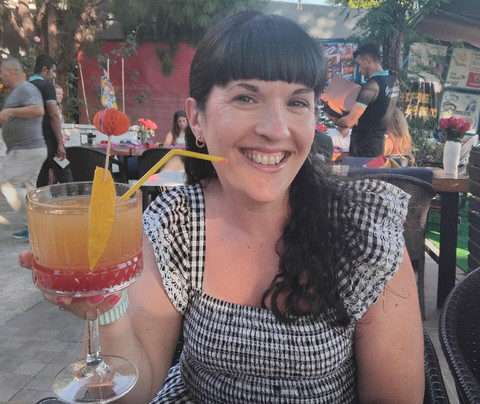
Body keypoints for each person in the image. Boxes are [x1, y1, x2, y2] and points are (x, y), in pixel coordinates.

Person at [21, 11, 424, 403]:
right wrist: (107, 306)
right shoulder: (176, 222)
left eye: (298, 102)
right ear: (196, 119)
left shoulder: (361, 228)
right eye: (246, 97)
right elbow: (135, 389)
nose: (276, 129)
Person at [0, 58, 46, 240]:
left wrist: (10, 112)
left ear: (10, 71)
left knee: (7, 184)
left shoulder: (26, 88)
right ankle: (34, 228)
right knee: (28, 191)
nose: (1, 76)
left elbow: (38, 110)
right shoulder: (16, 93)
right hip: (30, 149)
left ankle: (36, 226)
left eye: (2, 72)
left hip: (26, 148)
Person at [334, 43, 400, 157]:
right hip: (378, 145)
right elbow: (376, 110)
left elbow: (349, 122)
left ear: (367, 60)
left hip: (363, 147)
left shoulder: (372, 86)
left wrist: (337, 120)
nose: (359, 70)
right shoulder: (394, 82)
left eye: (359, 65)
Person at [29, 55, 73, 187]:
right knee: (66, 179)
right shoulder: (47, 87)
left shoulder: (25, 87)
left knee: (40, 182)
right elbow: (53, 115)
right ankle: (71, 199)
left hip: (33, 143)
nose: (54, 75)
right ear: (44, 69)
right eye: (53, 71)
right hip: (51, 143)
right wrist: (60, 143)